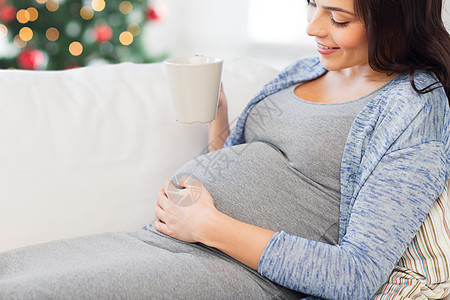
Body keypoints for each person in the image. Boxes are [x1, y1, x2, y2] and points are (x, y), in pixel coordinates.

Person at [0, 0, 448, 299]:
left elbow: (356, 274)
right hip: (156, 241)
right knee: (12, 272)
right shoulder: (304, 69)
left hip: (232, 272)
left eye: (338, 19)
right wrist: (220, 128)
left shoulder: (413, 107)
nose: (313, 28)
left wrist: (207, 225)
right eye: (313, 6)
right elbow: (257, 166)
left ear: (395, 19)